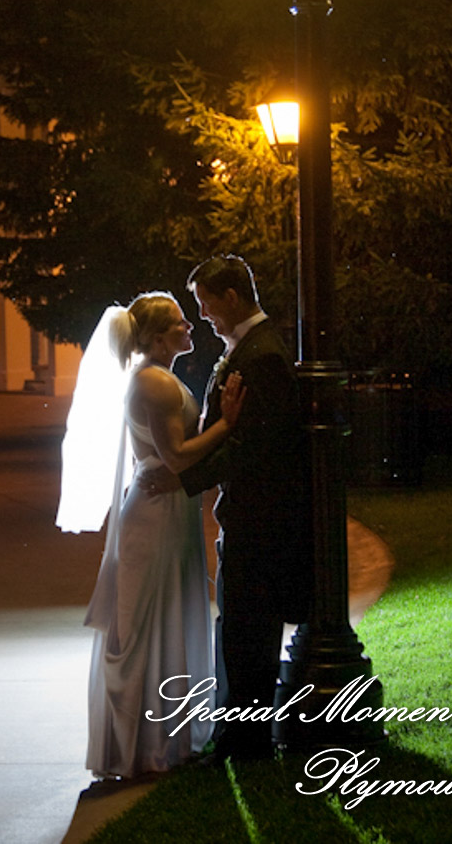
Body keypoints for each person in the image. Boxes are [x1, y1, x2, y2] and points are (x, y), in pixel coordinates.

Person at [58, 292, 244, 780]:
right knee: (152, 618)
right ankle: (150, 748)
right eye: (181, 324)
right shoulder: (153, 384)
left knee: (168, 614)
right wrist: (227, 423)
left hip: (167, 508)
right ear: (159, 337)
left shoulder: (157, 378)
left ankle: (166, 742)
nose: (191, 328)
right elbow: (179, 457)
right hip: (157, 514)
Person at [142, 255, 308, 761]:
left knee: (247, 632)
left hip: (260, 519)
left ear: (231, 297)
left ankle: (246, 744)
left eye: (206, 302)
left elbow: (255, 449)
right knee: (238, 628)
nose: (205, 314)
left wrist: (182, 481)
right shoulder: (247, 348)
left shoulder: (262, 356)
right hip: (244, 516)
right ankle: (237, 736)